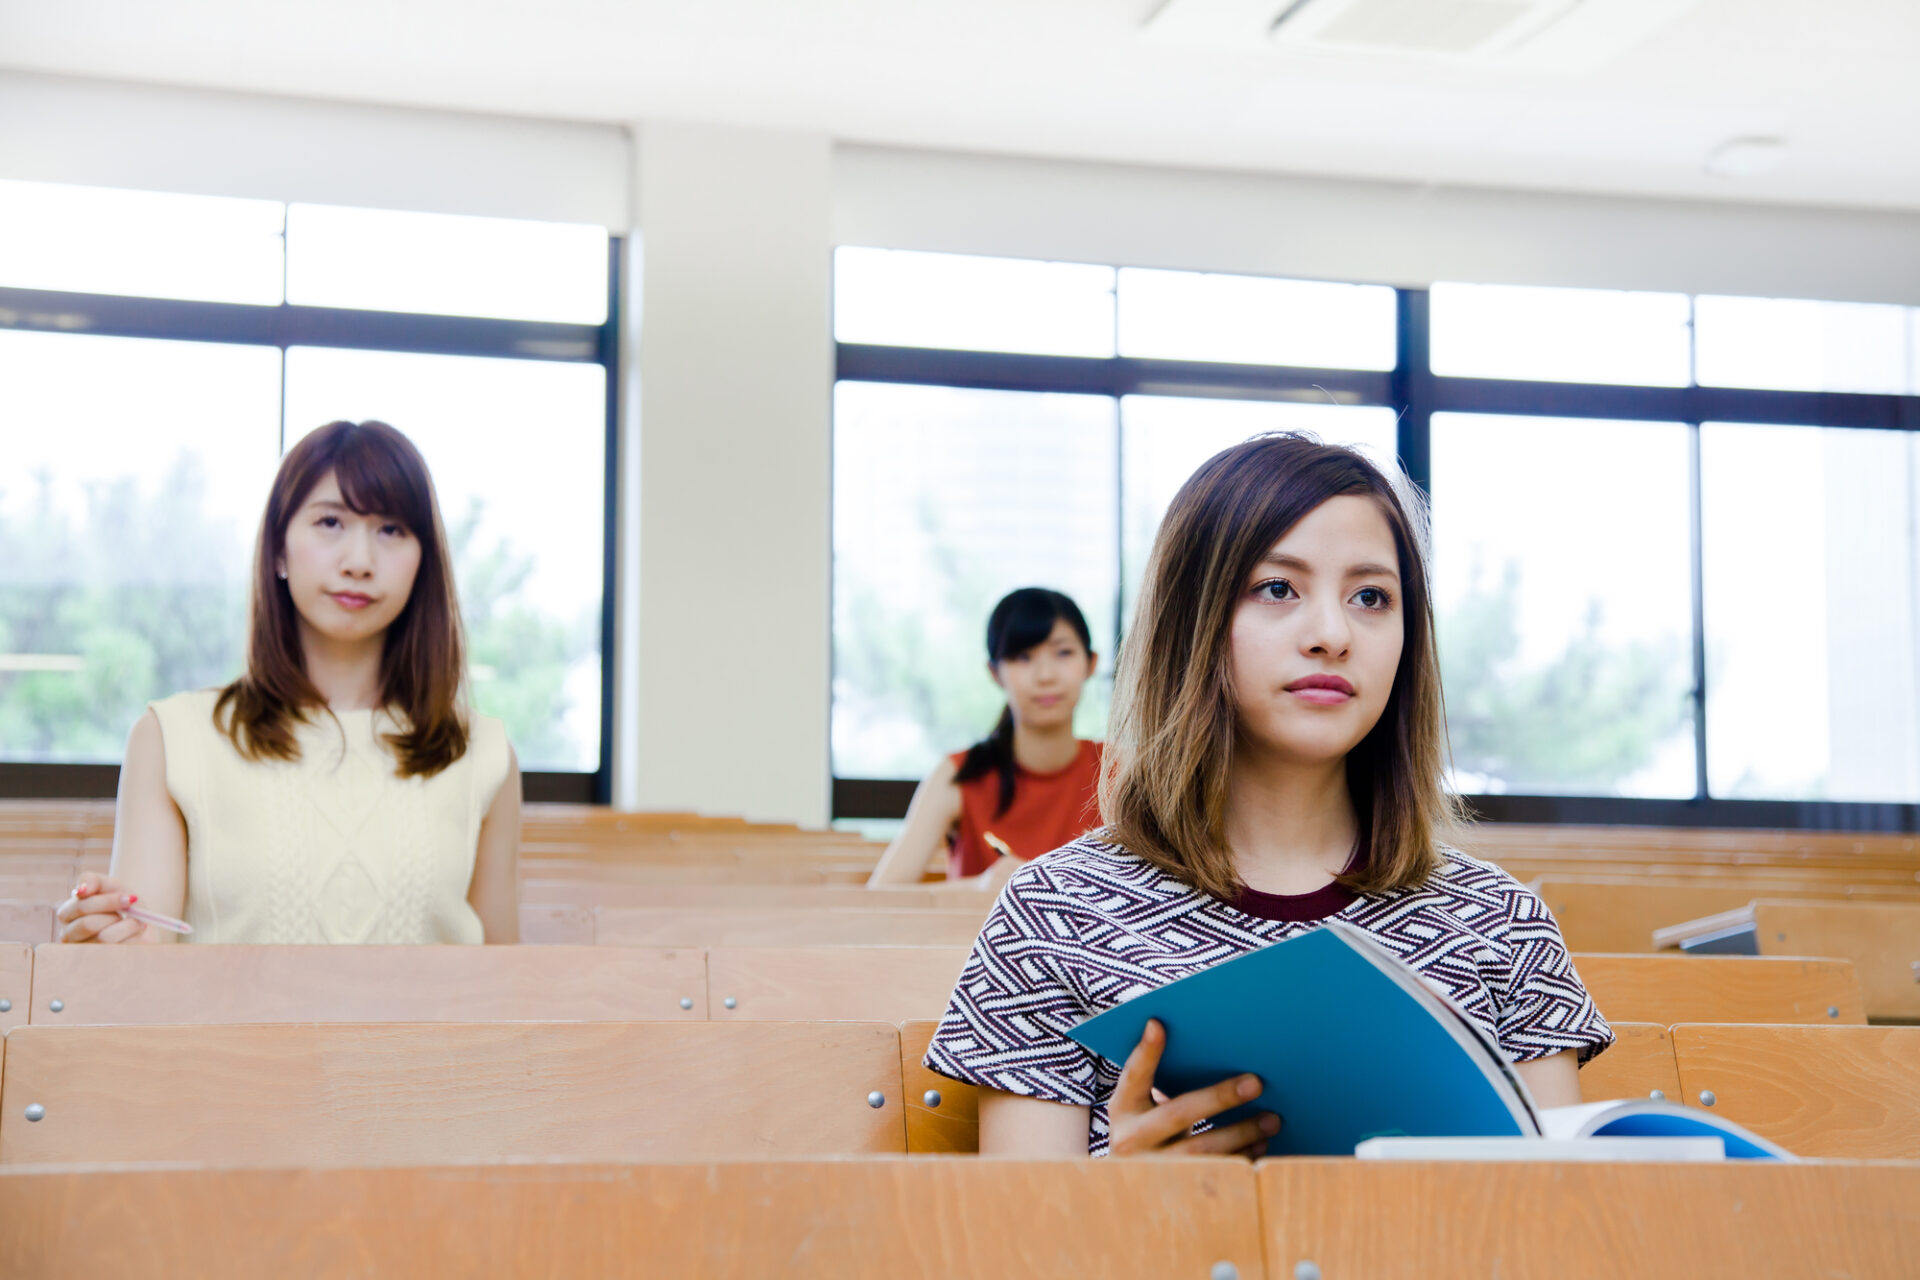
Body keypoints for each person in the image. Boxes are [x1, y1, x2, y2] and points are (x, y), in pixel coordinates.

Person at [924, 434, 1612, 1156]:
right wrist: (1119, 1210)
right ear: (1191, 620)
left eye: (1372, 597)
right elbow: (1025, 1250)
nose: (1332, 633)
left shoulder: (1502, 923)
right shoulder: (1051, 917)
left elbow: (1559, 1231)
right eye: (1278, 588)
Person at [55, 420, 520, 945]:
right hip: (222, 1030)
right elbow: (145, 962)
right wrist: (106, 938)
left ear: (423, 561)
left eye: (391, 530)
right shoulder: (172, 738)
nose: (360, 562)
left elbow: (499, 986)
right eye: (330, 522)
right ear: (277, 548)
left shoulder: (481, 753)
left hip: (427, 1033)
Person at [866, 588, 1103, 890]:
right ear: (995, 672)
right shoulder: (959, 775)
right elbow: (881, 896)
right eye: (1023, 657)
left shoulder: (1119, 771)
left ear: (1091, 663)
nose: (1046, 675)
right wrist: (980, 887)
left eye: (1063, 653)